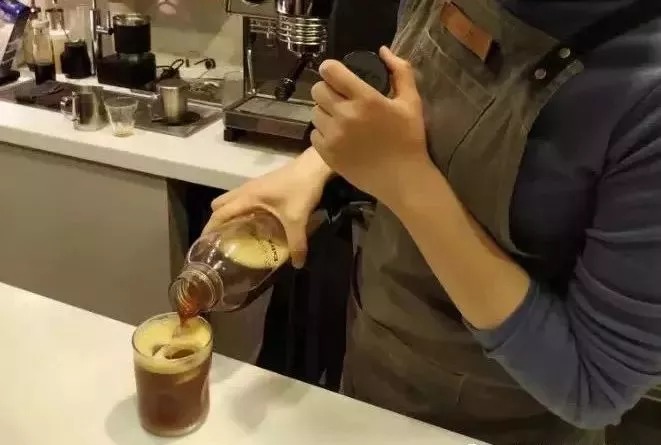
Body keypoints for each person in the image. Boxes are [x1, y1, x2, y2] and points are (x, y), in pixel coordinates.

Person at [204, 0, 661, 443]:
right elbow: (408, 103)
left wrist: (406, 180)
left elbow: (594, 386)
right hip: (367, 386)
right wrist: (320, 162)